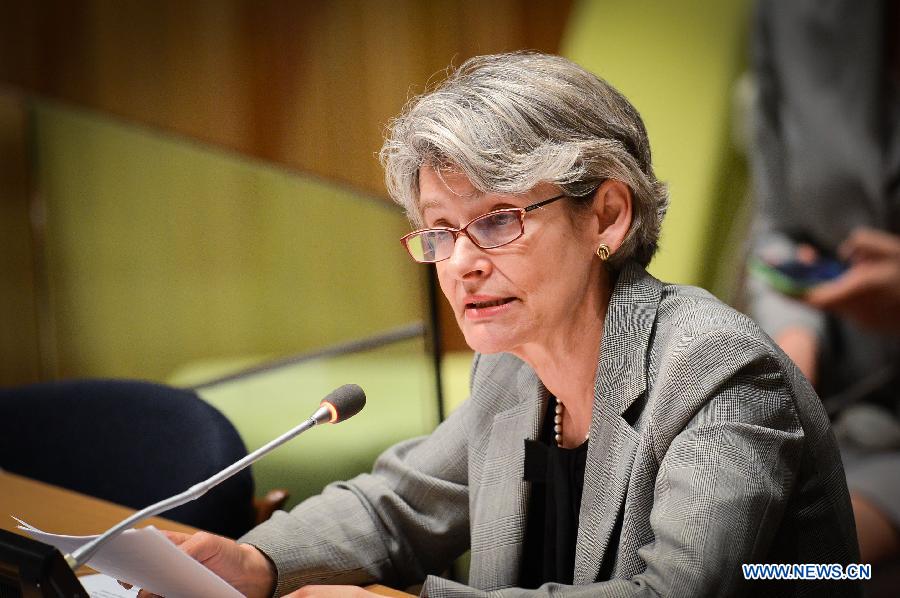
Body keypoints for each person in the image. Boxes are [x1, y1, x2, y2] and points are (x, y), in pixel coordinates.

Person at [133, 52, 861, 597]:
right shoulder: (516, 364)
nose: (460, 265)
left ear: (606, 215)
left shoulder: (717, 370)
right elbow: (396, 508)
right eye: (440, 232)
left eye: (497, 221)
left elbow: (671, 595)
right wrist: (257, 563)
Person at [746, 0, 900, 571]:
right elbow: (780, 231)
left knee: (798, 573)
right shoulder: (790, 14)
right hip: (835, 412)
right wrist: (794, 349)